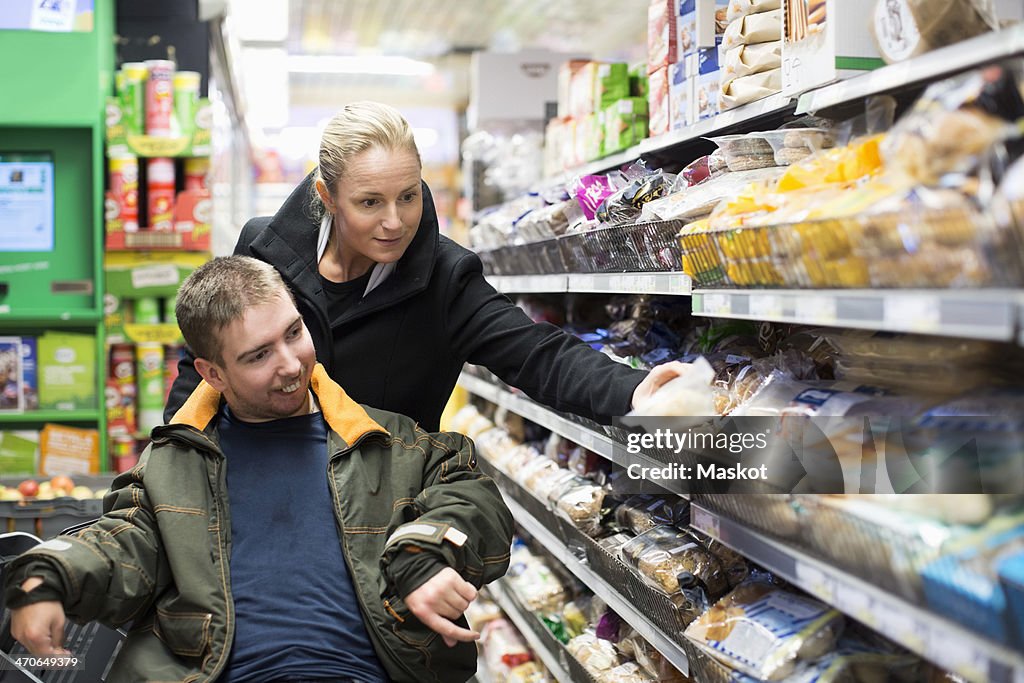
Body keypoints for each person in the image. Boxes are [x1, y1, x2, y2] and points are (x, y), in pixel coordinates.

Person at [4, 256, 514, 683]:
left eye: (294, 332)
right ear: (213, 373)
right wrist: (48, 576)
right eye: (259, 356)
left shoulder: (392, 443)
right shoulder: (174, 465)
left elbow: (472, 496)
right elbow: (121, 544)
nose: (291, 363)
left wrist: (426, 551)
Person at [164, 101, 687, 431]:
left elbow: (536, 352)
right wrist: (172, 456)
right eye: (370, 202)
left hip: (387, 514)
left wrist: (632, 389)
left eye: (408, 196)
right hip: (270, 488)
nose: (396, 222)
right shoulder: (266, 249)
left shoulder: (444, 278)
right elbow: (208, 359)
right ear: (327, 196)